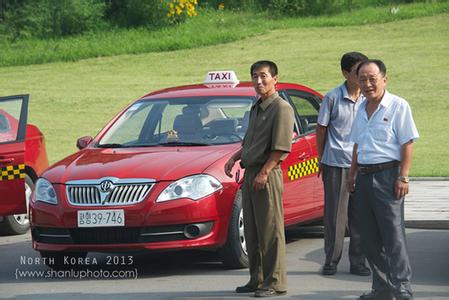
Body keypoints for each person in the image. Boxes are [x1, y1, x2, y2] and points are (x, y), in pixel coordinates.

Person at [347, 59, 419, 300]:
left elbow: (407, 142)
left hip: (389, 175)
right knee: (368, 237)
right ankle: (381, 289)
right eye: (362, 79)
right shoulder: (360, 107)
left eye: (372, 79)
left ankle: (402, 289)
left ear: (384, 80)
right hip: (364, 177)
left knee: (393, 236)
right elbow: (357, 143)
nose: (367, 84)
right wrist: (352, 173)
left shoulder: (398, 106)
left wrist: (403, 177)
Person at [224, 60, 294, 298]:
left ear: (275, 78)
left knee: (270, 230)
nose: (259, 81)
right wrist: (234, 158)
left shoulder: (281, 108)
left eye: (264, 76)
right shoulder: (257, 106)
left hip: (267, 173)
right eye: (255, 76)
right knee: (253, 230)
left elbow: (281, 147)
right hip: (251, 172)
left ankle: (275, 282)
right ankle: (257, 279)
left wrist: (264, 172)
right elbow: (250, 142)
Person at [316, 52, 371, 277]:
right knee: (335, 217)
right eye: (358, 72)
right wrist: (321, 159)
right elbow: (321, 129)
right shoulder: (332, 97)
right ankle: (331, 260)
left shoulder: (369, 99)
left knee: (360, 216)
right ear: (345, 73)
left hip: (363, 165)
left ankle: (358, 262)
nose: (362, 77)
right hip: (337, 164)